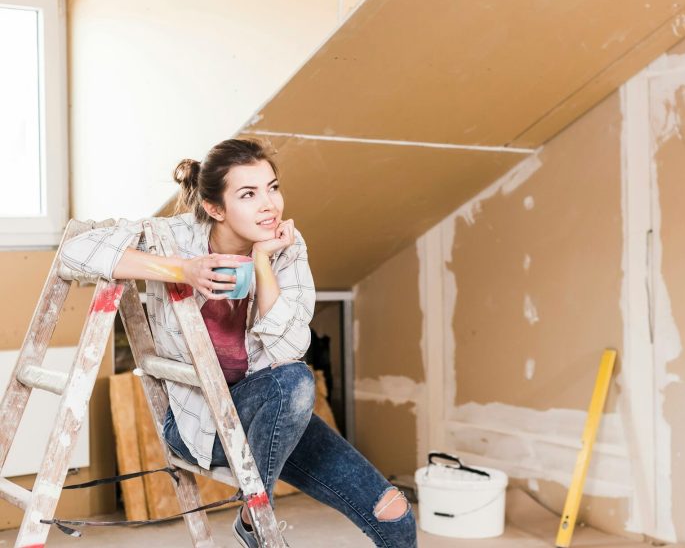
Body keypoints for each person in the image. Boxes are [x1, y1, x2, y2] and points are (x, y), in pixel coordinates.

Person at [60, 138, 417, 547]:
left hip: (275, 415)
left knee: (395, 515)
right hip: (201, 423)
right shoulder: (172, 237)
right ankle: (259, 513)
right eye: (248, 194)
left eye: (273, 187)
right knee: (294, 384)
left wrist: (263, 262)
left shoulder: (286, 247)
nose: (269, 205)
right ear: (215, 208)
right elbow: (75, 251)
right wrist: (182, 270)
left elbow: (286, 354)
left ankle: (252, 518)